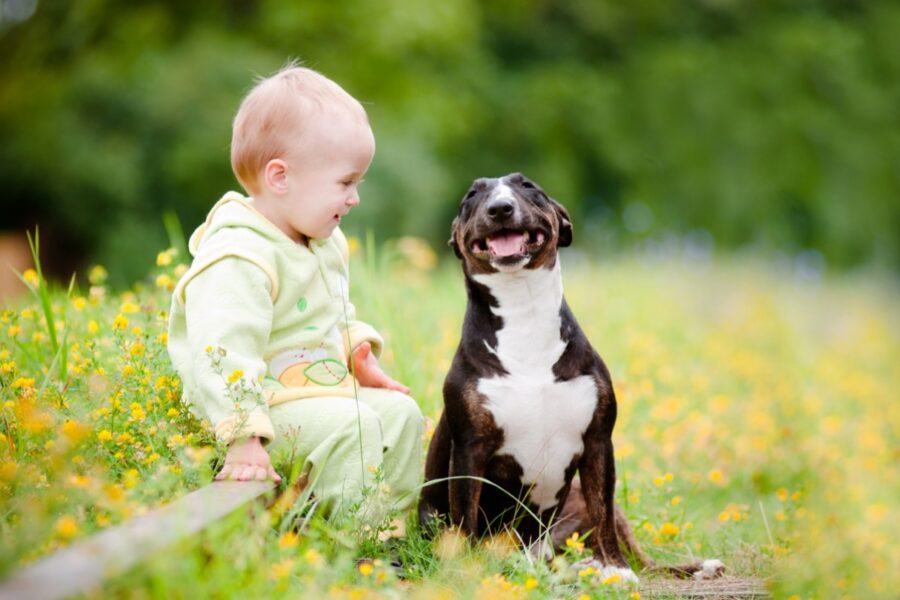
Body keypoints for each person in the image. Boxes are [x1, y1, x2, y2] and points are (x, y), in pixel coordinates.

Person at [167, 63, 423, 518]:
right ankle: (345, 545)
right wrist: (245, 436)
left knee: (400, 416)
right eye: (346, 182)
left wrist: (355, 348)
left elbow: (330, 313)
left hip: (315, 396)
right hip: (258, 411)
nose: (355, 197)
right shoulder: (239, 254)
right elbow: (222, 352)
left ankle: (390, 535)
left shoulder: (321, 242)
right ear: (280, 178)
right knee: (357, 426)